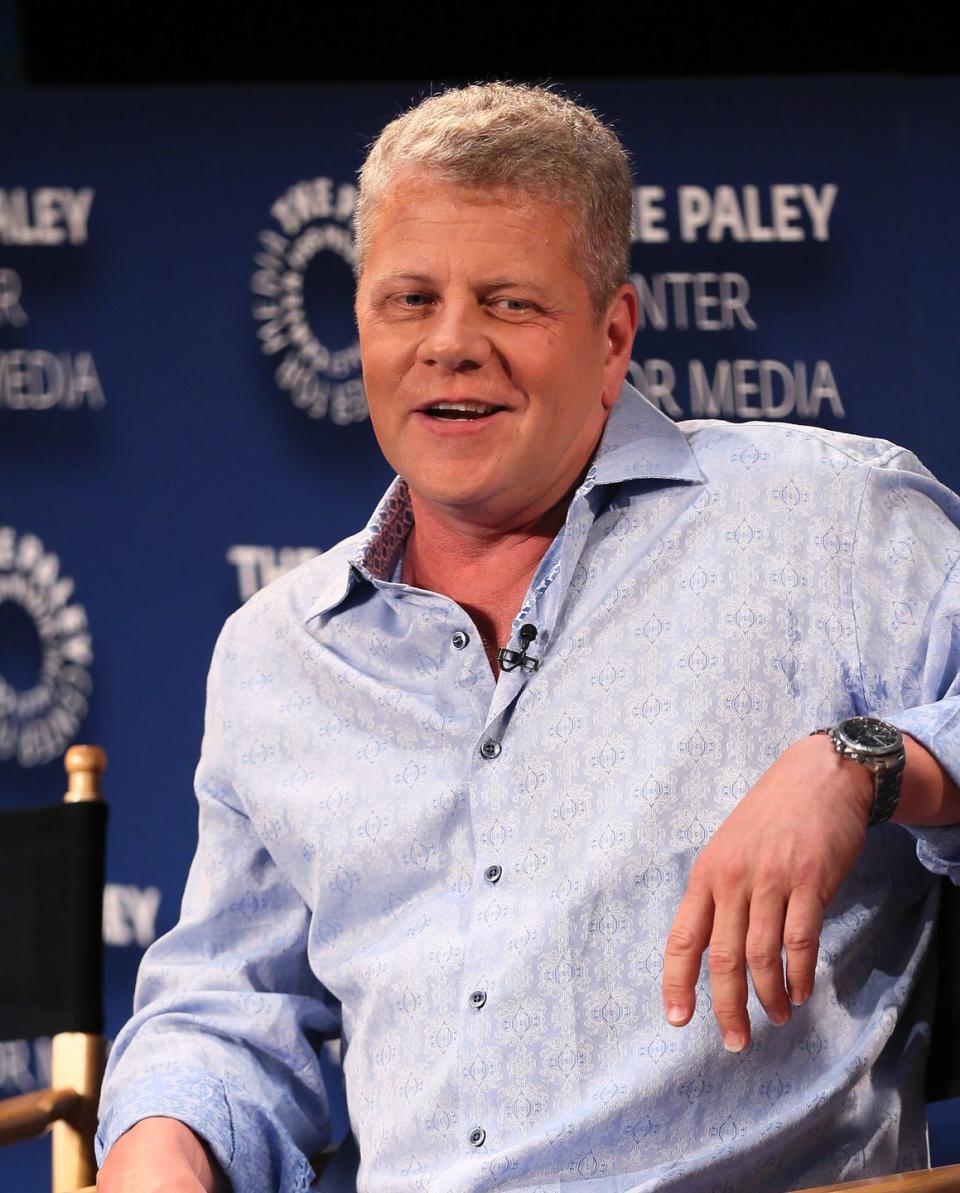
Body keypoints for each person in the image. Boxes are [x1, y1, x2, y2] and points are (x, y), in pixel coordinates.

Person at [97, 83, 960, 1193]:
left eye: (508, 304)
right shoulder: (280, 655)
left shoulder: (829, 525)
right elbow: (230, 1010)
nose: (450, 345)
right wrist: (161, 1144)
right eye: (409, 299)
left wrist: (861, 765)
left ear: (613, 338)